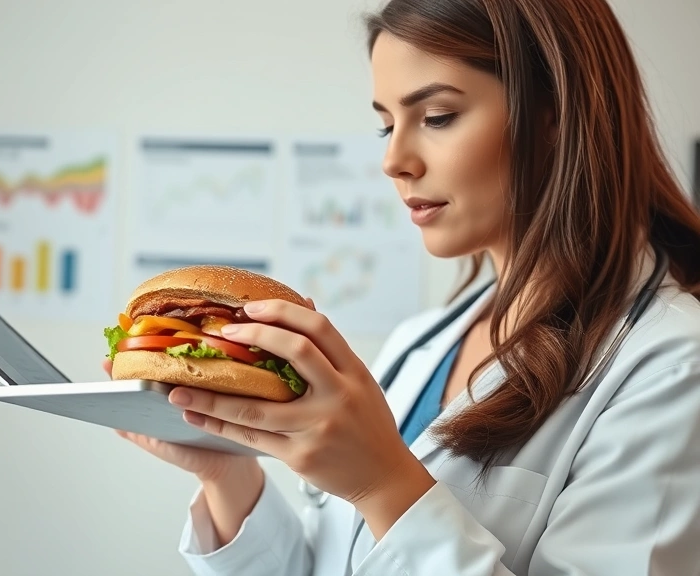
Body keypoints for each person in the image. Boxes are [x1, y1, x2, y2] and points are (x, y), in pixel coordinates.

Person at [104, 0, 700, 573]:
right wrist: (227, 475)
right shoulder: (418, 345)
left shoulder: (672, 366)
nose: (393, 160)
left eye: (436, 116)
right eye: (386, 125)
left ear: (554, 115)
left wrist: (384, 485)